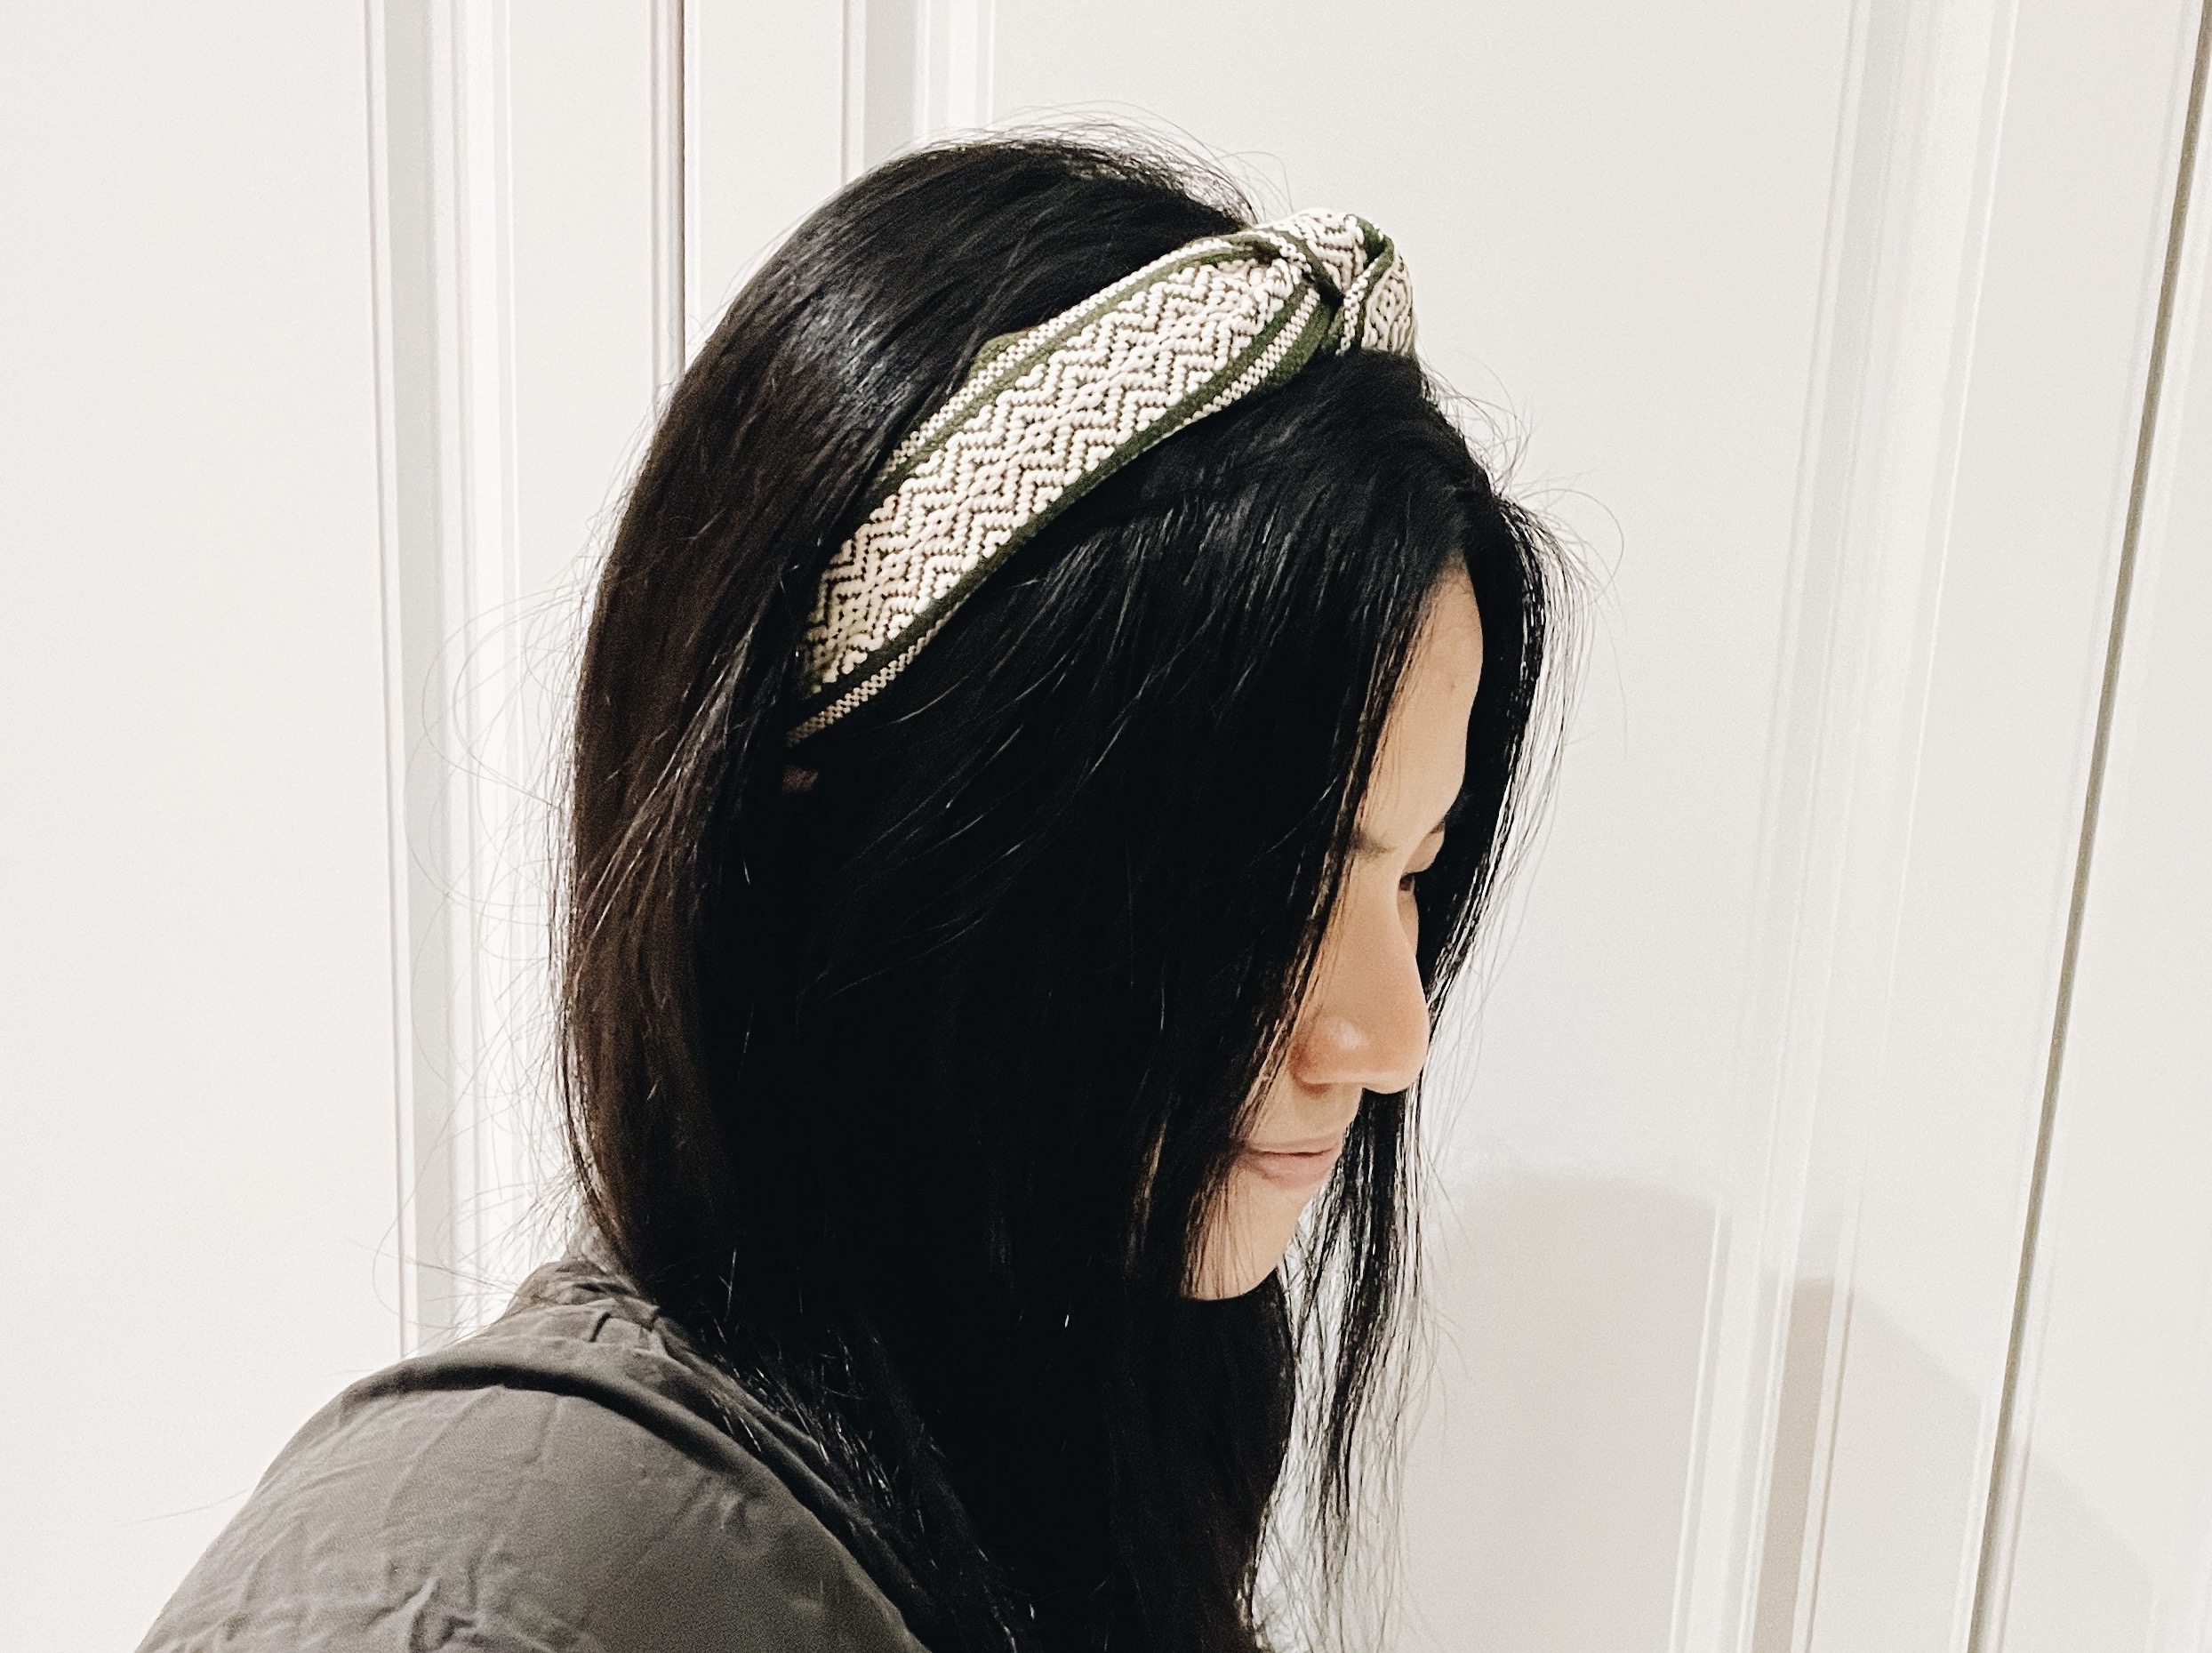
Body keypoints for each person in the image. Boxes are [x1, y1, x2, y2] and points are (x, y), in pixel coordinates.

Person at [140, 134, 1556, 1653]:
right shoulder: (499, 1601)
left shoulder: (1094, 1397)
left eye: (1413, 873)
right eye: (1270, 884)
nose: (1391, 1034)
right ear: (846, 833)